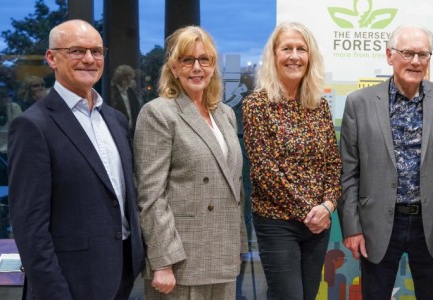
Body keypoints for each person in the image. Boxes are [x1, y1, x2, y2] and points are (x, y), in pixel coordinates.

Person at [8, 19, 144, 299]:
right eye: (77, 51)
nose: (89, 59)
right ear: (51, 58)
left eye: (96, 51)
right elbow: (29, 227)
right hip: (69, 283)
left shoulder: (115, 120)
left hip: (122, 277)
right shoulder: (33, 126)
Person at [338, 24, 433, 300]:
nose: (416, 62)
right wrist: (352, 227)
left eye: (423, 54)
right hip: (378, 223)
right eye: (407, 53)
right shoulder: (358, 103)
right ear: (389, 56)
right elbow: (348, 172)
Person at [134, 25, 247, 300]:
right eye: (187, 60)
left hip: (223, 254)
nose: (197, 68)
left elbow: (235, 187)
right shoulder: (159, 113)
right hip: (181, 261)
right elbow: (151, 195)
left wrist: (239, 245)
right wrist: (162, 261)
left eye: (204, 60)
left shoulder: (224, 114)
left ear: (213, 66)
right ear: (174, 68)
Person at [243, 22, 342, 300]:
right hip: (278, 223)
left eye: (301, 49)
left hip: (319, 223)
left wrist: (328, 205)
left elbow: (333, 164)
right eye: (287, 48)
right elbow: (264, 170)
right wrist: (310, 212)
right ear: (274, 56)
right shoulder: (257, 105)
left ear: (310, 57)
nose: (294, 56)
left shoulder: (319, 105)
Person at [109, 64, 143, 133]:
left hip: (132, 130)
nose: (128, 78)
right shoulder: (112, 91)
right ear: (119, 77)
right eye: (125, 75)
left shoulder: (131, 91)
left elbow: (137, 108)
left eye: (130, 75)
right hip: (118, 129)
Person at [0, 86, 21, 156]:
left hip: (13, 148)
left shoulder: (14, 107)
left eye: (8, 97)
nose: (7, 100)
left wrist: (8, 111)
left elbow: (17, 130)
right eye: (3, 97)